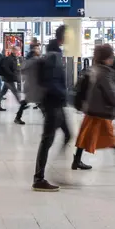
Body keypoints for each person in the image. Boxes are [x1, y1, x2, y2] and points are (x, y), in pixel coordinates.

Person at [73, 44, 115, 172]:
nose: (112, 59)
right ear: (105, 58)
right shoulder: (104, 73)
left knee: (87, 134)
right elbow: (111, 92)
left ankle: (77, 160)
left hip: (92, 108)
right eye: (110, 57)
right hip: (99, 110)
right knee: (105, 134)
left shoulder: (94, 69)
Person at [32, 26, 72, 192]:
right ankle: (39, 178)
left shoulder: (54, 53)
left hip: (55, 104)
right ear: (63, 38)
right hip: (53, 104)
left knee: (68, 134)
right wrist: (66, 96)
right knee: (47, 140)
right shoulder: (54, 56)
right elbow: (52, 83)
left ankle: (58, 171)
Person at [0, 46, 28, 125]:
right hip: (8, 79)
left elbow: (16, 67)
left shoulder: (15, 58)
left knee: (3, 92)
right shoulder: (9, 58)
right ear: (14, 51)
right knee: (15, 92)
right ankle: (21, 104)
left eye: (19, 50)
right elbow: (6, 68)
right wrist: (12, 74)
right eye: (17, 50)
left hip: (9, 78)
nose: (18, 51)